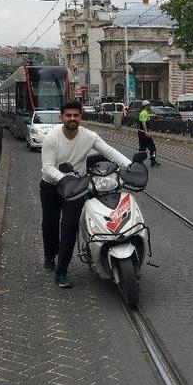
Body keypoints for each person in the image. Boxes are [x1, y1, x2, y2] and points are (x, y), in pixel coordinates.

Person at [40, 100, 132, 288]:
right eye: (68, 115)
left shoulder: (89, 136)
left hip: (76, 187)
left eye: (76, 115)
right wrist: (63, 178)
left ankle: (62, 271)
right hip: (51, 186)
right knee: (49, 224)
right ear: (61, 117)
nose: (72, 118)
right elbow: (47, 167)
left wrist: (129, 166)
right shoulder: (52, 137)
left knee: (69, 228)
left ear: (81, 117)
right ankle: (50, 255)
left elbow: (110, 152)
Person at [137, 100, 160, 167]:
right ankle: (153, 161)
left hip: (141, 132)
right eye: (148, 105)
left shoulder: (142, 112)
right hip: (144, 133)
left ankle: (139, 162)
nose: (149, 106)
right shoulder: (144, 113)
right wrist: (146, 131)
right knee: (153, 147)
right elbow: (144, 122)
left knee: (142, 148)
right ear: (146, 106)